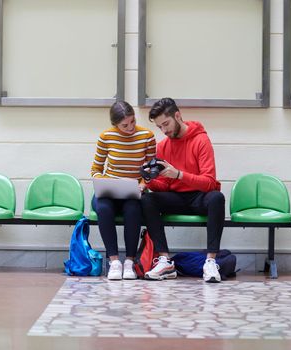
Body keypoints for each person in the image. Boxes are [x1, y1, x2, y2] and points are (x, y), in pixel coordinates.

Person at [141, 98, 225, 283]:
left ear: (177, 116)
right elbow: (164, 185)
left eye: (166, 124)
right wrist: (149, 181)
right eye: (159, 127)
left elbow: (209, 182)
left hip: (199, 197)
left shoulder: (201, 140)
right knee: (148, 199)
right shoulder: (163, 146)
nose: (164, 130)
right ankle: (165, 261)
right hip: (176, 198)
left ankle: (211, 262)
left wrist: (179, 174)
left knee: (217, 198)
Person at [91, 101, 156, 280]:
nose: (130, 128)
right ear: (115, 124)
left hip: (133, 192)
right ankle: (114, 262)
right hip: (109, 191)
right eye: (124, 125)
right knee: (103, 208)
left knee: (133, 209)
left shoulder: (147, 136)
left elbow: (152, 170)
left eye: (133, 122)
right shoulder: (106, 137)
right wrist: (103, 181)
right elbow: (96, 169)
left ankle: (129, 261)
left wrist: (143, 184)